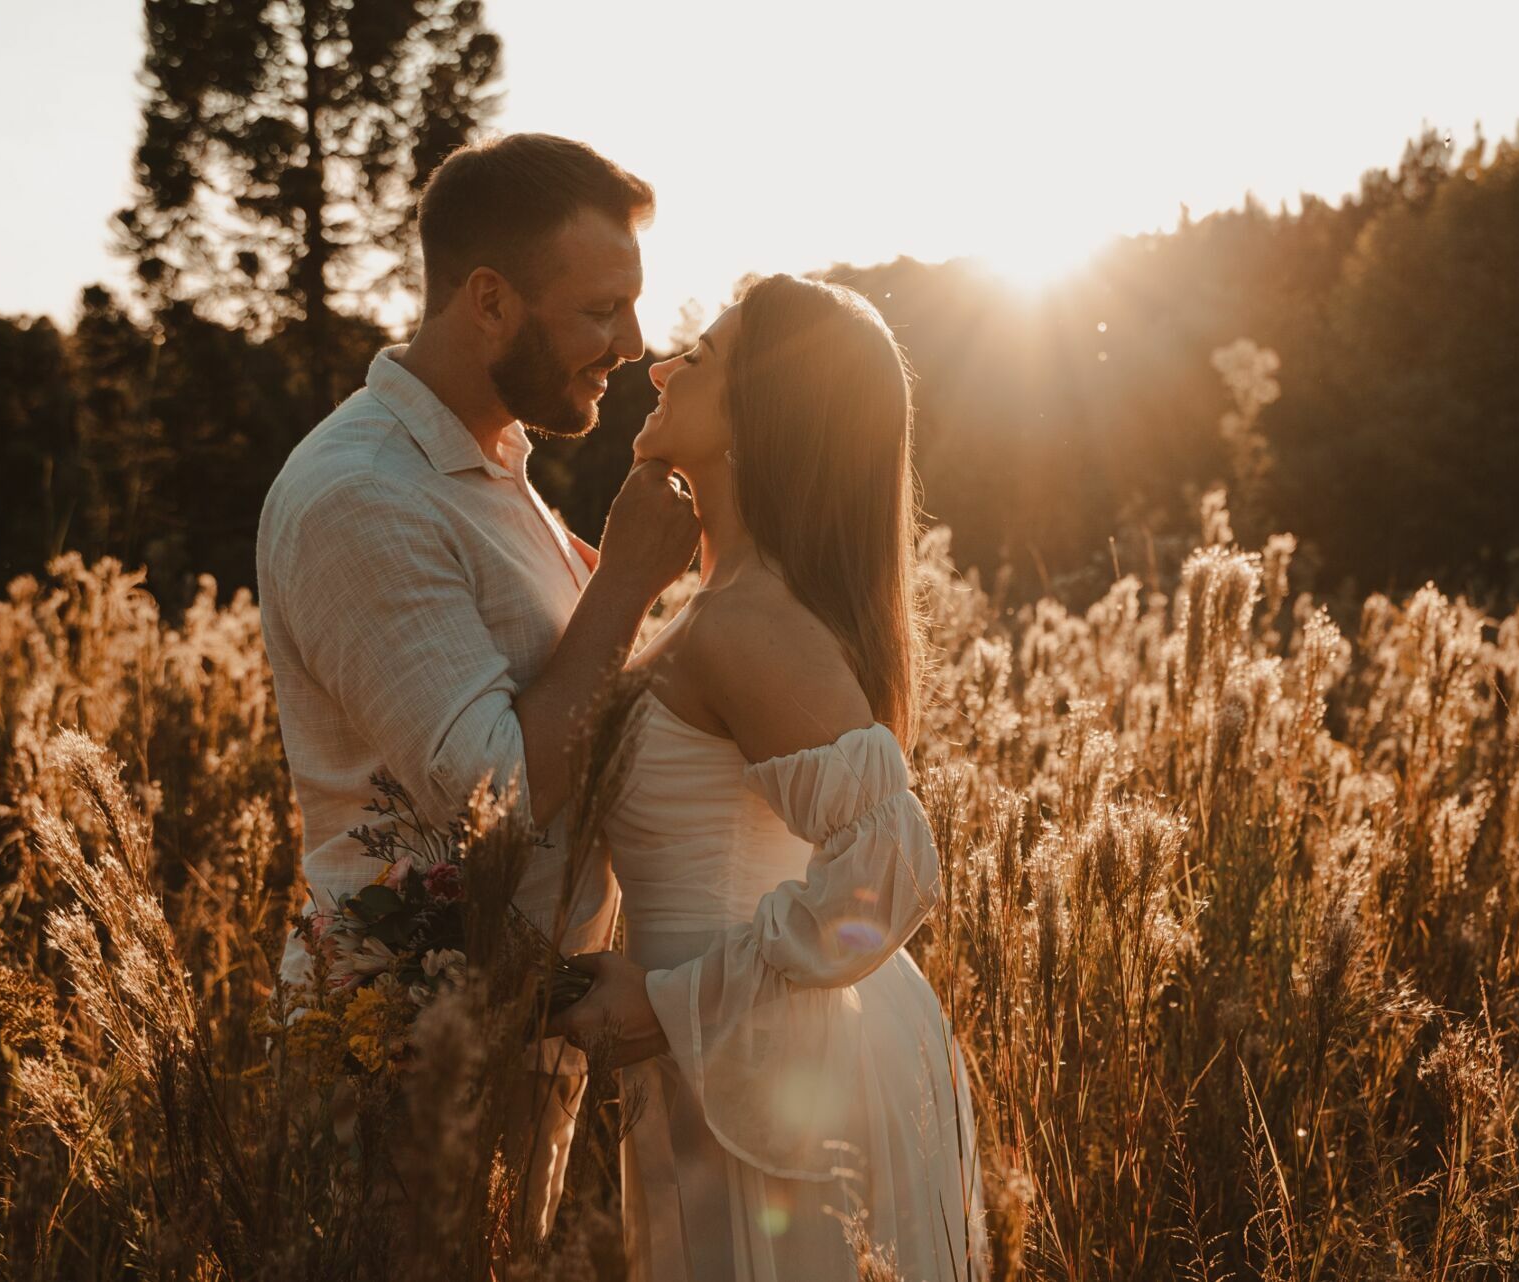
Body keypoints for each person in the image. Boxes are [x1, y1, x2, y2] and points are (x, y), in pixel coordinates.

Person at [255, 132, 700, 1236]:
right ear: (490, 301)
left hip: (512, 1034)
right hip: (403, 1062)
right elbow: (488, 801)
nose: (633, 345)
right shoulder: (363, 497)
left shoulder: (494, 468)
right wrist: (628, 583)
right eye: (601, 309)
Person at [550, 275, 987, 1279]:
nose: (658, 364)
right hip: (736, 1057)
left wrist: (668, 1003)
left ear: (763, 419)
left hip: (774, 1067)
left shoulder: (751, 626)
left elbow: (889, 872)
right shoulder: (711, 609)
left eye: (697, 358)